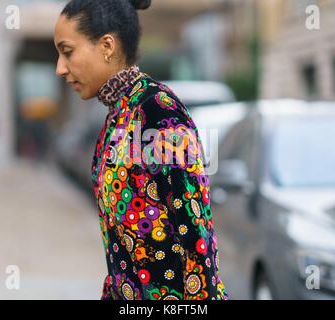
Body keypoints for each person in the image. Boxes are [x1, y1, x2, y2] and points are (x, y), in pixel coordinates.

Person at [54, 0, 228, 300]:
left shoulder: (157, 111)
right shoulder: (119, 115)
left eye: (67, 52)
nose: (60, 68)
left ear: (107, 45)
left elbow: (196, 235)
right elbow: (122, 248)